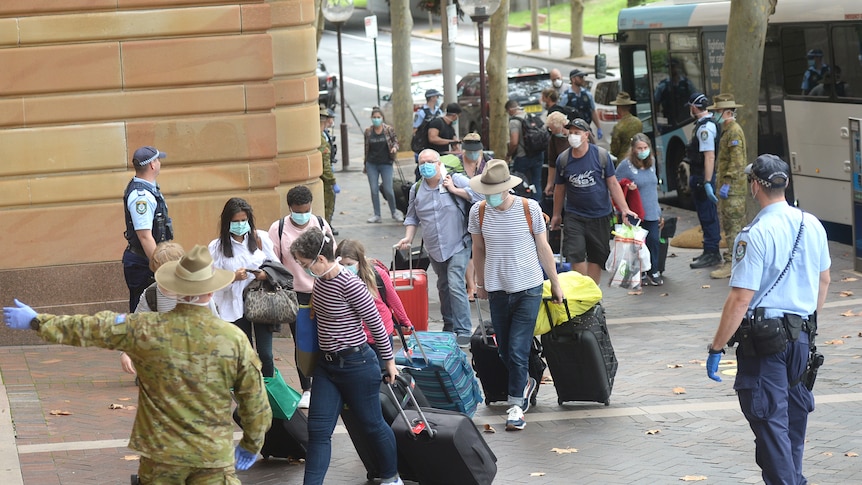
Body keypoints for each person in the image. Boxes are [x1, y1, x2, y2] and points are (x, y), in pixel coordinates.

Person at [4, 245, 272, 482]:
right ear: (211, 290)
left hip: (161, 455)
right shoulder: (234, 339)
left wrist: (38, 321)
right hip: (213, 455)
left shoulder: (145, 329)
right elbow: (256, 405)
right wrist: (251, 443)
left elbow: (93, 327)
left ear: (174, 288)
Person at [706, 154, 830, 485]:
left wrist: (717, 347)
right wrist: (807, 321)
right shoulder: (812, 224)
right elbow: (825, 280)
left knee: (770, 426)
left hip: (765, 343)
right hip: (801, 338)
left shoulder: (755, 233)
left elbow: (740, 298)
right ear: (785, 183)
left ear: (755, 186)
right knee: (791, 423)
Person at [289, 228, 403, 485]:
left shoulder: (351, 284)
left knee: (372, 424)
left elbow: (375, 324)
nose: (302, 269)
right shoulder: (320, 280)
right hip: (327, 367)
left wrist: (389, 362)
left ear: (320, 260)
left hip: (357, 364)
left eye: (304, 264)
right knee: (318, 431)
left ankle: (391, 477)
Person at [468, 160, 563, 431]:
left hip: (529, 286)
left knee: (518, 348)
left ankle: (515, 407)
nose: (490, 195)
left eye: (494, 189)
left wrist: (555, 283)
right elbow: (478, 248)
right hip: (498, 288)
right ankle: (528, 381)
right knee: (505, 350)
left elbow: (543, 247)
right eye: (487, 190)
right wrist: (481, 282)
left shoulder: (529, 208)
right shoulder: (479, 212)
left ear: (507, 188)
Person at [398, 149, 477, 345]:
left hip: (459, 242)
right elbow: (412, 216)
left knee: (455, 282)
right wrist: (408, 237)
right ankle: (449, 324)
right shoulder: (416, 189)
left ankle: (463, 329)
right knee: (443, 284)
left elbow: (479, 195)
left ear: (439, 163)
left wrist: (455, 190)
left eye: (430, 161)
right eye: (422, 162)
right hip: (434, 247)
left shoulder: (455, 179)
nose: (426, 165)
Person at [268, 185, 335, 408]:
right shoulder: (278, 229)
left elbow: (331, 255)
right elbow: (273, 262)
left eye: (306, 209)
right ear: (290, 208)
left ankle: (327, 383)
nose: (302, 214)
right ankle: (307, 387)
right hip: (295, 293)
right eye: (298, 210)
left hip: (322, 289)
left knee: (326, 337)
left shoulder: (321, 224)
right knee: (303, 341)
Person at [550, 118, 638, 285]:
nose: (573, 136)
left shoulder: (601, 156)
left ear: (586, 135)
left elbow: (612, 183)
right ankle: (582, 292)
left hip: (600, 215)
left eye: (577, 133)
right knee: (575, 254)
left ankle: (592, 297)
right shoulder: (563, 160)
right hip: (574, 215)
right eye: (570, 133)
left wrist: (624, 209)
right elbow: (559, 189)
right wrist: (556, 215)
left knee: (596, 257)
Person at [121, 241, 220, 375]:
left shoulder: (198, 291)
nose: (163, 279)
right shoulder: (152, 294)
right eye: (159, 274)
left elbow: (217, 327)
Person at [209, 197, 280, 378]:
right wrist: (232, 278)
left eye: (243, 220)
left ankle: (269, 393)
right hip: (233, 305)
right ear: (227, 223)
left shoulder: (260, 238)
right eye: (235, 221)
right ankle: (249, 395)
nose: (240, 225)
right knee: (244, 354)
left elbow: (277, 268)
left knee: (265, 354)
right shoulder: (216, 247)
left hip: (261, 302)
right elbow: (212, 280)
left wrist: (265, 274)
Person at [335, 239, 412, 364]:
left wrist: (404, 320)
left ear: (360, 262)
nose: (345, 268)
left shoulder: (377, 274)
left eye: (349, 264)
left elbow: (393, 299)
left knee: (383, 372)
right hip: (357, 338)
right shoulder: (336, 281)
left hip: (381, 333)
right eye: (341, 265)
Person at [122, 145, 173, 312]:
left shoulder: (149, 188)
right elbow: (145, 236)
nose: (159, 163)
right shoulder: (141, 197)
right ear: (152, 165)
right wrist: (161, 267)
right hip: (144, 265)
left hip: (146, 261)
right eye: (158, 160)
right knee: (143, 317)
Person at [615, 134, 663, 286]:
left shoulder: (652, 163)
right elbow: (615, 185)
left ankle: (653, 270)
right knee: (637, 244)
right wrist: (627, 187)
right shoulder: (626, 165)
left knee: (654, 241)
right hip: (635, 211)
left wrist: (659, 212)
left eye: (645, 148)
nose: (643, 151)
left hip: (651, 211)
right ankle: (639, 272)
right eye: (639, 148)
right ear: (633, 149)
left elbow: (653, 188)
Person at [708, 93, 747, 279]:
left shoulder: (733, 131)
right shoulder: (728, 129)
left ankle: (732, 263)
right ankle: (738, 262)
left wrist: (727, 184)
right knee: (734, 227)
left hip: (733, 191)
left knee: (733, 228)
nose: (715, 114)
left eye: (717, 111)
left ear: (726, 112)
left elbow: (736, 162)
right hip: (730, 190)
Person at [686, 92, 723, 270]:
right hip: (701, 175)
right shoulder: (706, 124)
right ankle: (709, 249)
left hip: (702, 176)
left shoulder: (705, 128)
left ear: (694, 107)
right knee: (705, 214)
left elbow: (709, 156)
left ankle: (712, 252)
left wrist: (707, 181)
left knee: (708, 215)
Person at [363, 106, 403, 223]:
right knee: (374, 190)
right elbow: (366, 148)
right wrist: (365, 163)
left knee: (388, 189)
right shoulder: (368, 132)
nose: (376, 119)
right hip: (372, 164)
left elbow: (396, 142)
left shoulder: (388, 129)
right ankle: (377, 214)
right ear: (371, 118)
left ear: (382, 118)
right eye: (374, 117)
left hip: (386, 163)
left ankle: (394, 211)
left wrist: (394, 148)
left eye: (378, 117)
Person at [506, 99, 543, 201]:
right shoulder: (530, 116)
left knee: (519, 183)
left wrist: (509, 154)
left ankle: (521, 206)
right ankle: (537, 206)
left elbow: (514, 142)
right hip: (538, 154)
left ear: (510, 110)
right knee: (536, 182)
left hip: (523, 157)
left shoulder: (514, 121)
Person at [653, 58, 698, 130]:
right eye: (669, 67)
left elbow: (695, 98)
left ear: (677, 67)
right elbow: (656, 103)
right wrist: (658, 120)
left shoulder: (686, 83)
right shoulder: (663, 85)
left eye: (673, 67)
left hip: (686, 120)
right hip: (669, 122)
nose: (671, 69)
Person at [562, 69, 602, 139]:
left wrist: (599, 127)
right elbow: (560, 112)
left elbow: (593, 111)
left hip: (586, 129)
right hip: (572, 131)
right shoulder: (566, 96)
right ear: (573, 79)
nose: (583, 79)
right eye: (580, 77)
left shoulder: (587, 94)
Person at [319, 105, 339, 235]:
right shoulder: (319, 138)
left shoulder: (324, 134)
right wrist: (332, 180)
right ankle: (325, 227)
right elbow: (325, 164)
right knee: (327, 203)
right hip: (325, 179)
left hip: (326, 174)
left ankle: (328, 225)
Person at [608, 92, 643, 164]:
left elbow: (614, 151)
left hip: (623, 162)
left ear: (618, 108)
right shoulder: (638, 122)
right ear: (629, 107)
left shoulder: (618, 127)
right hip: (637, 159)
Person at [543, 111, 570, 197]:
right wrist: (550, 183)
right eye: (551, 129)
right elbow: (552, 162)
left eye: (554, 129)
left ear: (563, 125)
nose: (553, 132)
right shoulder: (554, 139)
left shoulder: (577, 134)